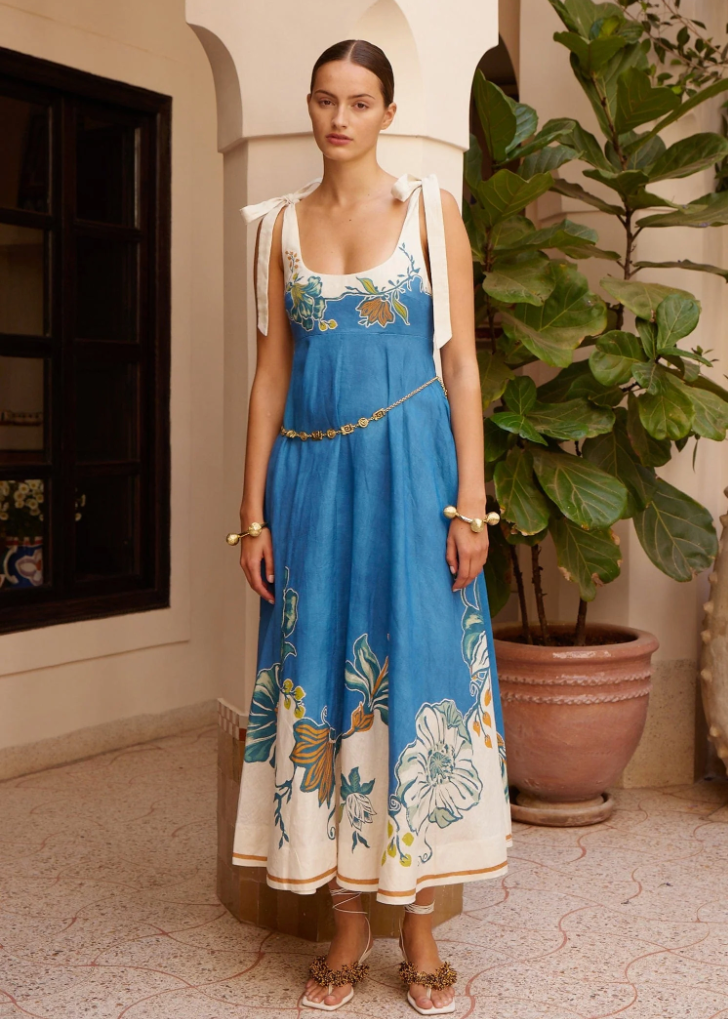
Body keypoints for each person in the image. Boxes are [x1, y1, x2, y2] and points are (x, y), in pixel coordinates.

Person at [230, 38, 511, 1015]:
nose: (338, 118)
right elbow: (270, 373)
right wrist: (251, 512)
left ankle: (419, 925)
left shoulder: (431, 212)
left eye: (358, 101)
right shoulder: (277, 227)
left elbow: (461, 366)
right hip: (312, 481)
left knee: (416, 672)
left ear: (388, 112)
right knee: (322, 677)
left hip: (412, 477)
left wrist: (469, 503)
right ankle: (347, 923)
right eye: (324, 99)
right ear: (309, 108)